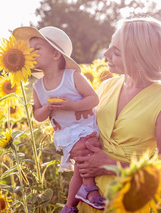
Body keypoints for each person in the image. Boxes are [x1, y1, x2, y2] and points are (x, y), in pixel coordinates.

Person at [70, 16, 161, 213]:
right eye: (110, 46)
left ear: (138, 58)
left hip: (128, 201)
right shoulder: (105, 87)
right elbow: (88, 133)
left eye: (116, 52)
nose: (106, 53)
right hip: (88, 198)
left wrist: (110, 165)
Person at [13, 26, 105, 212]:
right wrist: (47, 108)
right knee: (83, 154)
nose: (31, 53)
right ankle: (89, 190)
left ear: (56, 55)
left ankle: (70, 205)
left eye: (37, 49)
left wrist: (73, 106)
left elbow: (93, 98)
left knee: (80, 166)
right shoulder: (38, 86)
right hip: (66, 134)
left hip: (86, 128)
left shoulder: (73, 77)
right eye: (29, 50)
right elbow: (38, 116)